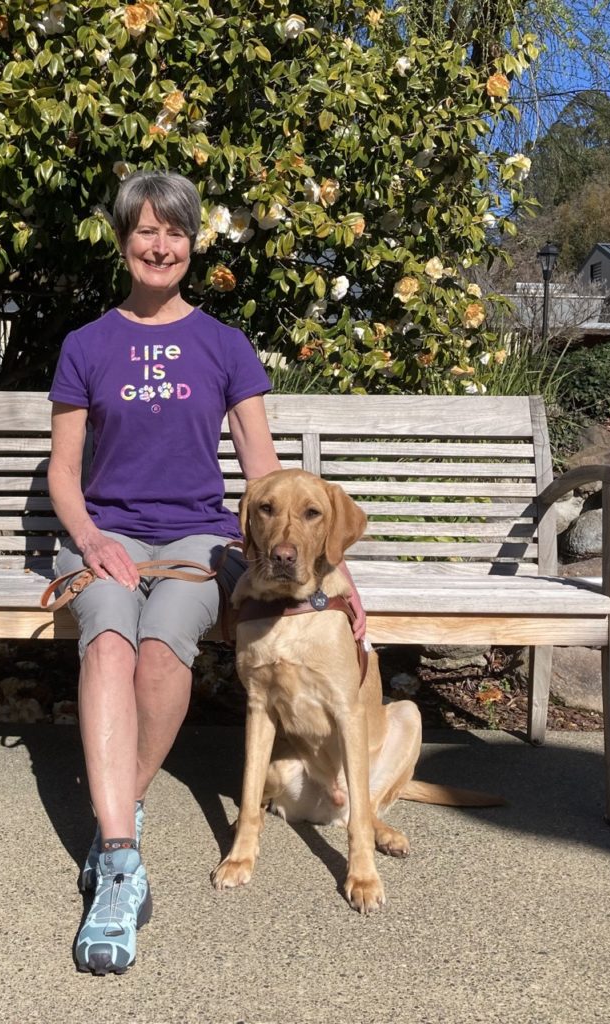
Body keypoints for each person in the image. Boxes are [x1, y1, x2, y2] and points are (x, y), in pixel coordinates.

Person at [47, 169, 359, 975]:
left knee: (163, 644)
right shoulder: (87, 344)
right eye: (145, 231)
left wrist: (337, 573)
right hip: (106, 535)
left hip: (197, 541)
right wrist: (89, 539)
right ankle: (121, 857)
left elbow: (266, 472)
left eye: (175, 232)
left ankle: (117, 810)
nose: (160, 245)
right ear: (123, 242)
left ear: (193, 243)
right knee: (110, 641)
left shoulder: (223, 344)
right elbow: (63, 471)